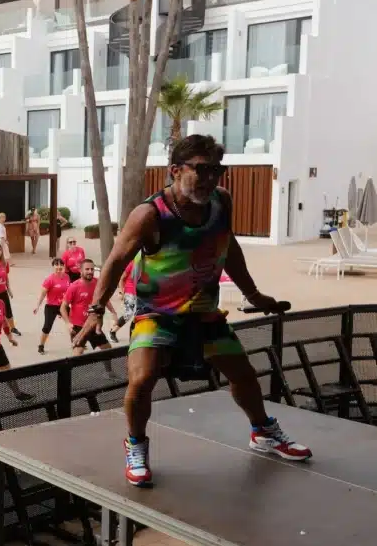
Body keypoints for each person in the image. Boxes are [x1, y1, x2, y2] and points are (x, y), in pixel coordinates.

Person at [74, 136, 311, 487]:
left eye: (217, 170)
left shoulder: (221, 202)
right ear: (175, 171)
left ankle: (262, 431)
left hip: (203, 312)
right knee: (142, 379)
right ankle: (136, 443)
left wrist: (254, 294)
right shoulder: (149, 215)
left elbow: (228, 248)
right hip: (155, 312)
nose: (210, 178)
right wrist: (95, 310)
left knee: (243, 374)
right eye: (201, 169)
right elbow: (114, 262)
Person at [62, 259, 114, 356]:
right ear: (80, 271)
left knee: (107, 349)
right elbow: (63, 307)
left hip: (93, 324)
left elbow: (104, 300)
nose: (90, 271)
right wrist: (68, 323)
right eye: (87, 269)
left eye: (92, 269)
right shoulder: (74, 286)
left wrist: (113, 312)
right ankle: (74, 371)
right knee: (78, 352)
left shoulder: (98, 284)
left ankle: (109, 371)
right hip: (77, 326)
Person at [33, 258, 70, 354]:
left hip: (63, 306)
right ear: (53, 267)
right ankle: (41, 345)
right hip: (51, 306)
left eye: (61, 265)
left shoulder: (67, 277)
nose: (59, 267)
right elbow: (42, 294)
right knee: (47, 327)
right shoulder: (49, 280)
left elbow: (69, 292)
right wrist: (37, 306)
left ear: (63, 266)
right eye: (56, 265)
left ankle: (77, 342)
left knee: (74, 324)